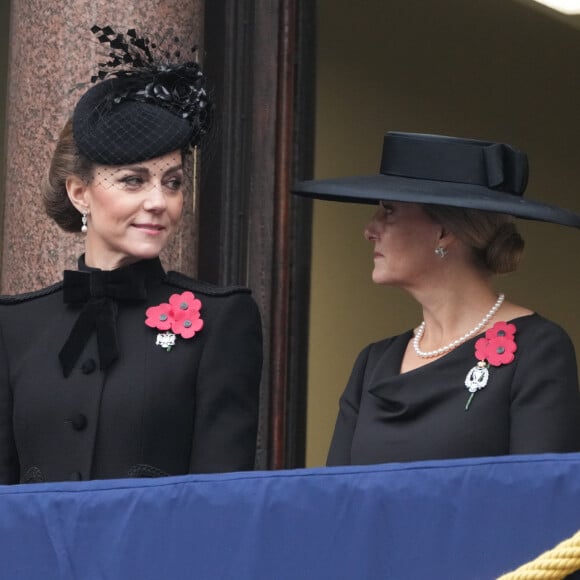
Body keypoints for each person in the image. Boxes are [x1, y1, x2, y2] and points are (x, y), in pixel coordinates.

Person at [0, 26, 262, 484]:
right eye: (133, 180)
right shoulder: (15, 327)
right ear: (80, 193)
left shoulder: (223, 320)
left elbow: (221, 504)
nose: (159, 201)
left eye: (173, 182)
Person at [293, 131, 580, 466]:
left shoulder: (538, 351)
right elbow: (336, 501)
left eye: (388, 210)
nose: (369, 229)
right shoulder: (373, 363)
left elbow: (540, 504)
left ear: (444, 230)